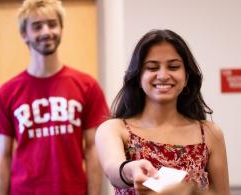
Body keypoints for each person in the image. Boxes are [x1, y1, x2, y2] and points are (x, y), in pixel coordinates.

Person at [0, 0, 109, 194]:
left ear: (61, 28)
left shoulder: (87, 86)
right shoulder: (6, 93)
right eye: (37, 26)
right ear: (24, 34)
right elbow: (2, 156)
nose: (46, 32)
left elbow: (93, 149)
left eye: (52, 24)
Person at [95, 29, 230, 195]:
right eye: (152, 67)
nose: (163, 75)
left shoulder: (210, 133)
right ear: (138, 76)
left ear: (186, 76)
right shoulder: (114, 129)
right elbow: (113, 170)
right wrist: (131, 170)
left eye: (173, 67)